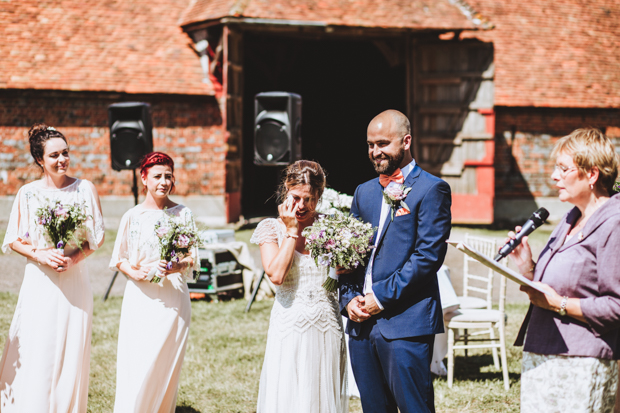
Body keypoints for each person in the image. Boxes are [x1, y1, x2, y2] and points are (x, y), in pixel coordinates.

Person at [339, 109, 452, 413]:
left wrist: (381, 297)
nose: (375, 152)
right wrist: (348, 298)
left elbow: (427, 257)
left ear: (406, 141)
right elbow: (349, 254)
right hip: (361, 323)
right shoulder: (364, 192)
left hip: (406, 322)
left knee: (414, 408)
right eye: (369, 145)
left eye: (383, 143)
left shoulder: (432, 189)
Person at [506, 128, 620, 412]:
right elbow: (551, 287)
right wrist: (527, 266)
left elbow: (615, 306)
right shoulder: (569, 219)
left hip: (583, 360)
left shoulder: (614, 224)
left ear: (591, 174)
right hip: (543, 351)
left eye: (563, 168)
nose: (554, 176)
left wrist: (559, 304)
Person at [0, 123, 105, 411]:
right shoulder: (28, 193)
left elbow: (97, 237)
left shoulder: (85, 189)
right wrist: (40, 255)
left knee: (72, 347)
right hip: (40, 280)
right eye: (54, 155)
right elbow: (13, 240)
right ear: (39, 160)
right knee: (39, 345)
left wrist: (73, 258)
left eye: (65, 153)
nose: (62, 160)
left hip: (74, 280)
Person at [251, 160, 348, 413]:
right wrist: (292, 231)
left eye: (310, 199)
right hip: (289, 324)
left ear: (319, 196)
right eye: (296, 197)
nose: (302, 206)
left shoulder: (331, 226)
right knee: (289, 394)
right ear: (286, 188)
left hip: (326, 324)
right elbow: (276, 275)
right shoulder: (270, 228)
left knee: (321, 394)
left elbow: (346, 271)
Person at [109, 152, 199, 411]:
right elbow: (119, 258)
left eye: (168, 176)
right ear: (144, 177)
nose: (163, 182)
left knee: (166, 362)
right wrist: (134, 273)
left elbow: (192, 257)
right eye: (157, 176)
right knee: (137, 360)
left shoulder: (183, 214)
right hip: (140, 296)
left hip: (173, 299)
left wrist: (176, 266)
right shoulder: (132, 216)